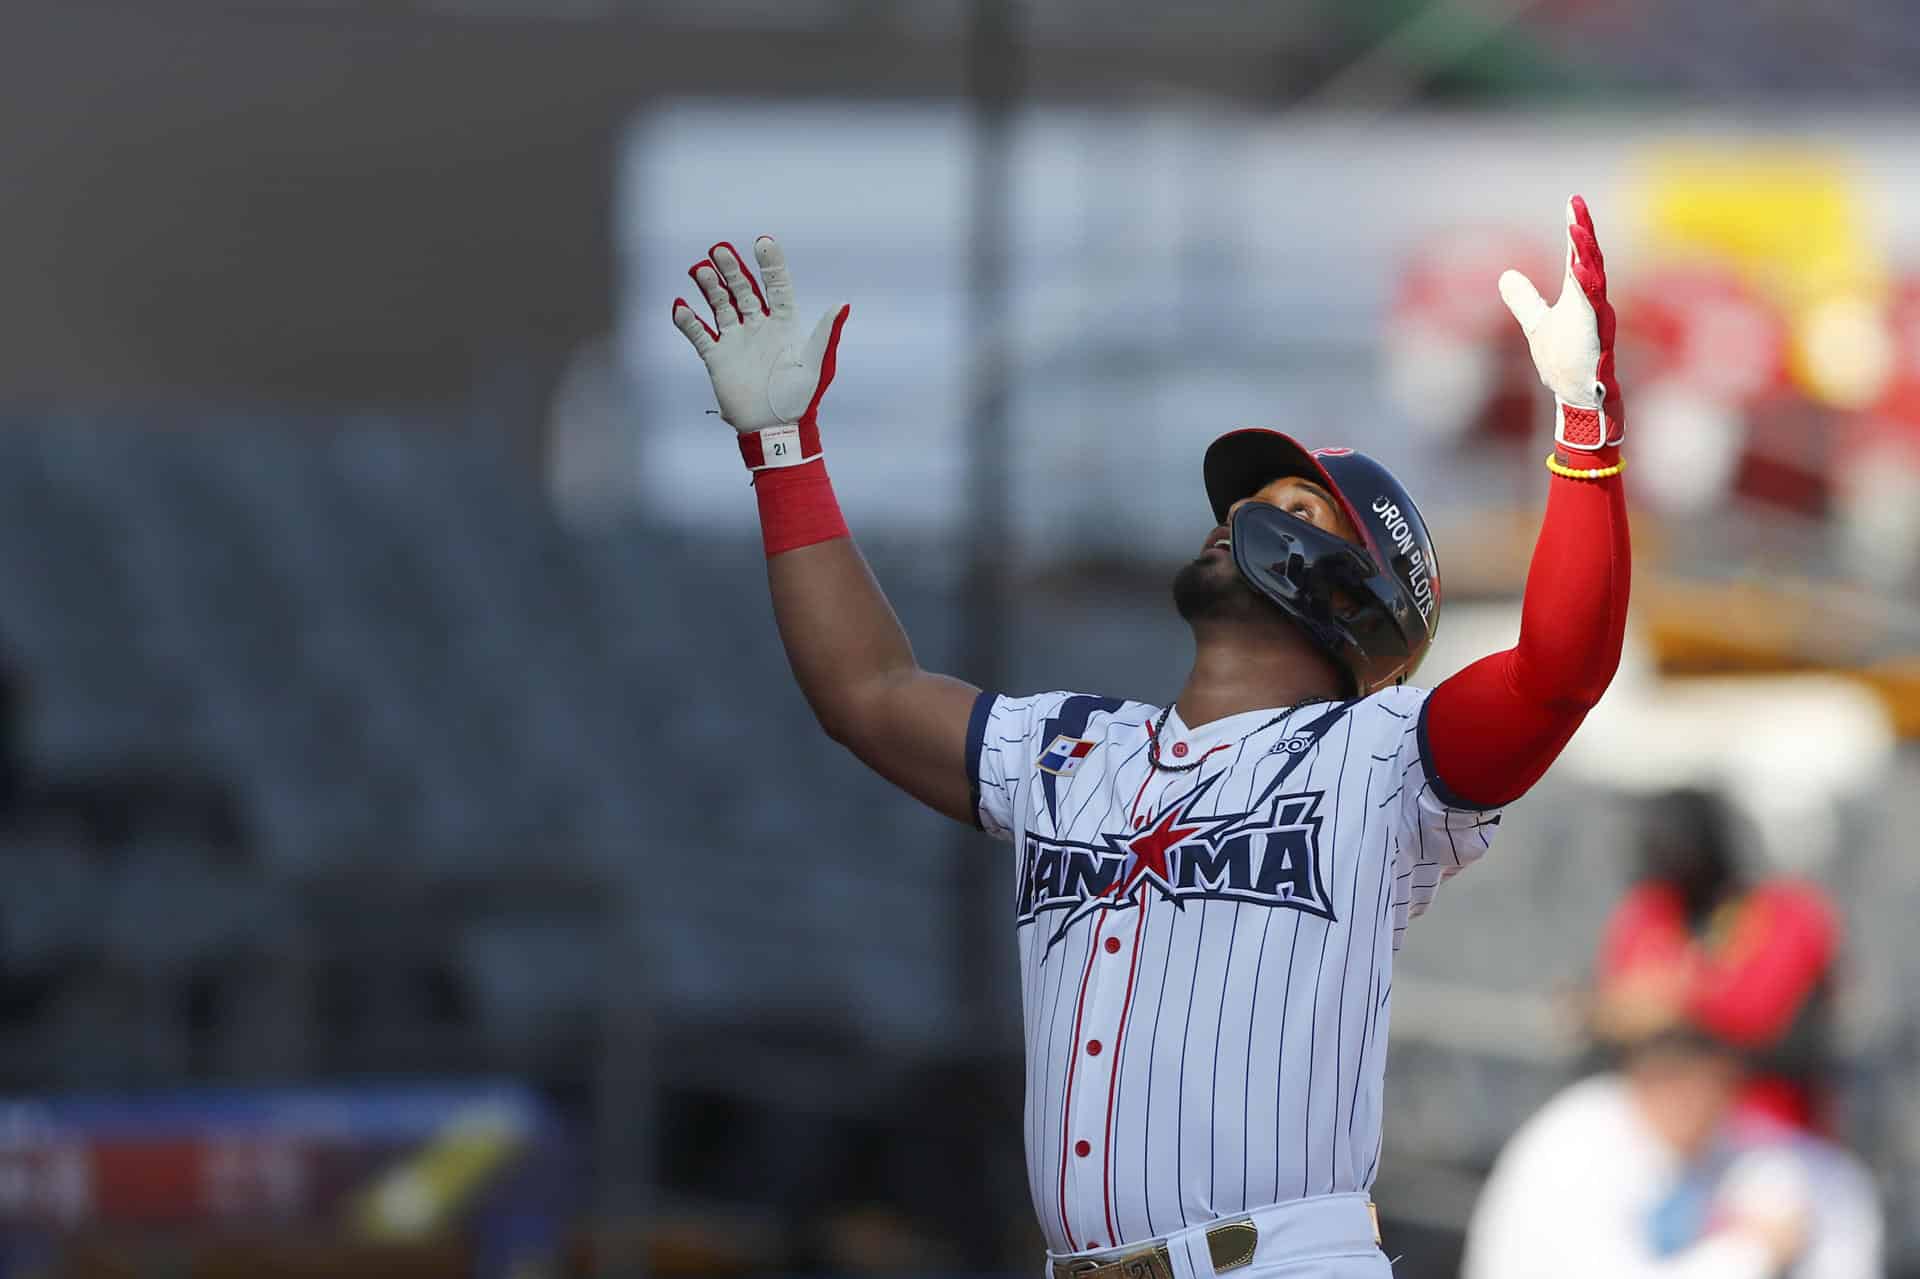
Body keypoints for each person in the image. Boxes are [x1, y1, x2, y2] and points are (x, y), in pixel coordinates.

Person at [670, 197, 1630, 1278]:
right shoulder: (1072, 751)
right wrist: (784, 452)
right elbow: (867, 691)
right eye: (1242, 501)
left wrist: (1582, 419)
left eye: (1293, 509)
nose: (1240, 516)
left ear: (1368, 601)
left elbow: (1560, 673)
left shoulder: (1385, 757)